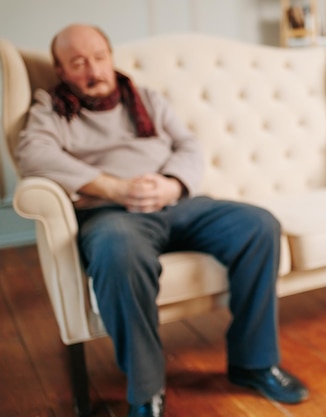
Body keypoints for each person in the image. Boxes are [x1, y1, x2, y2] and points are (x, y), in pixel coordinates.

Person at [16, 24, 308, 417]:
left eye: (100, 57)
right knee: (118, 253)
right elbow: (33, 155)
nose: (94, 71)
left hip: (176, 203)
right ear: (61, 70)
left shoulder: (144, 98)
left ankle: (252, 364)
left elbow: (188, 145)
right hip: (112, 215)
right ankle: (146, 390)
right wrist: (113, 188)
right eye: (79, 63)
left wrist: (171, 185)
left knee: (259, 226)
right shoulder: (50, 108)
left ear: (110, 56)